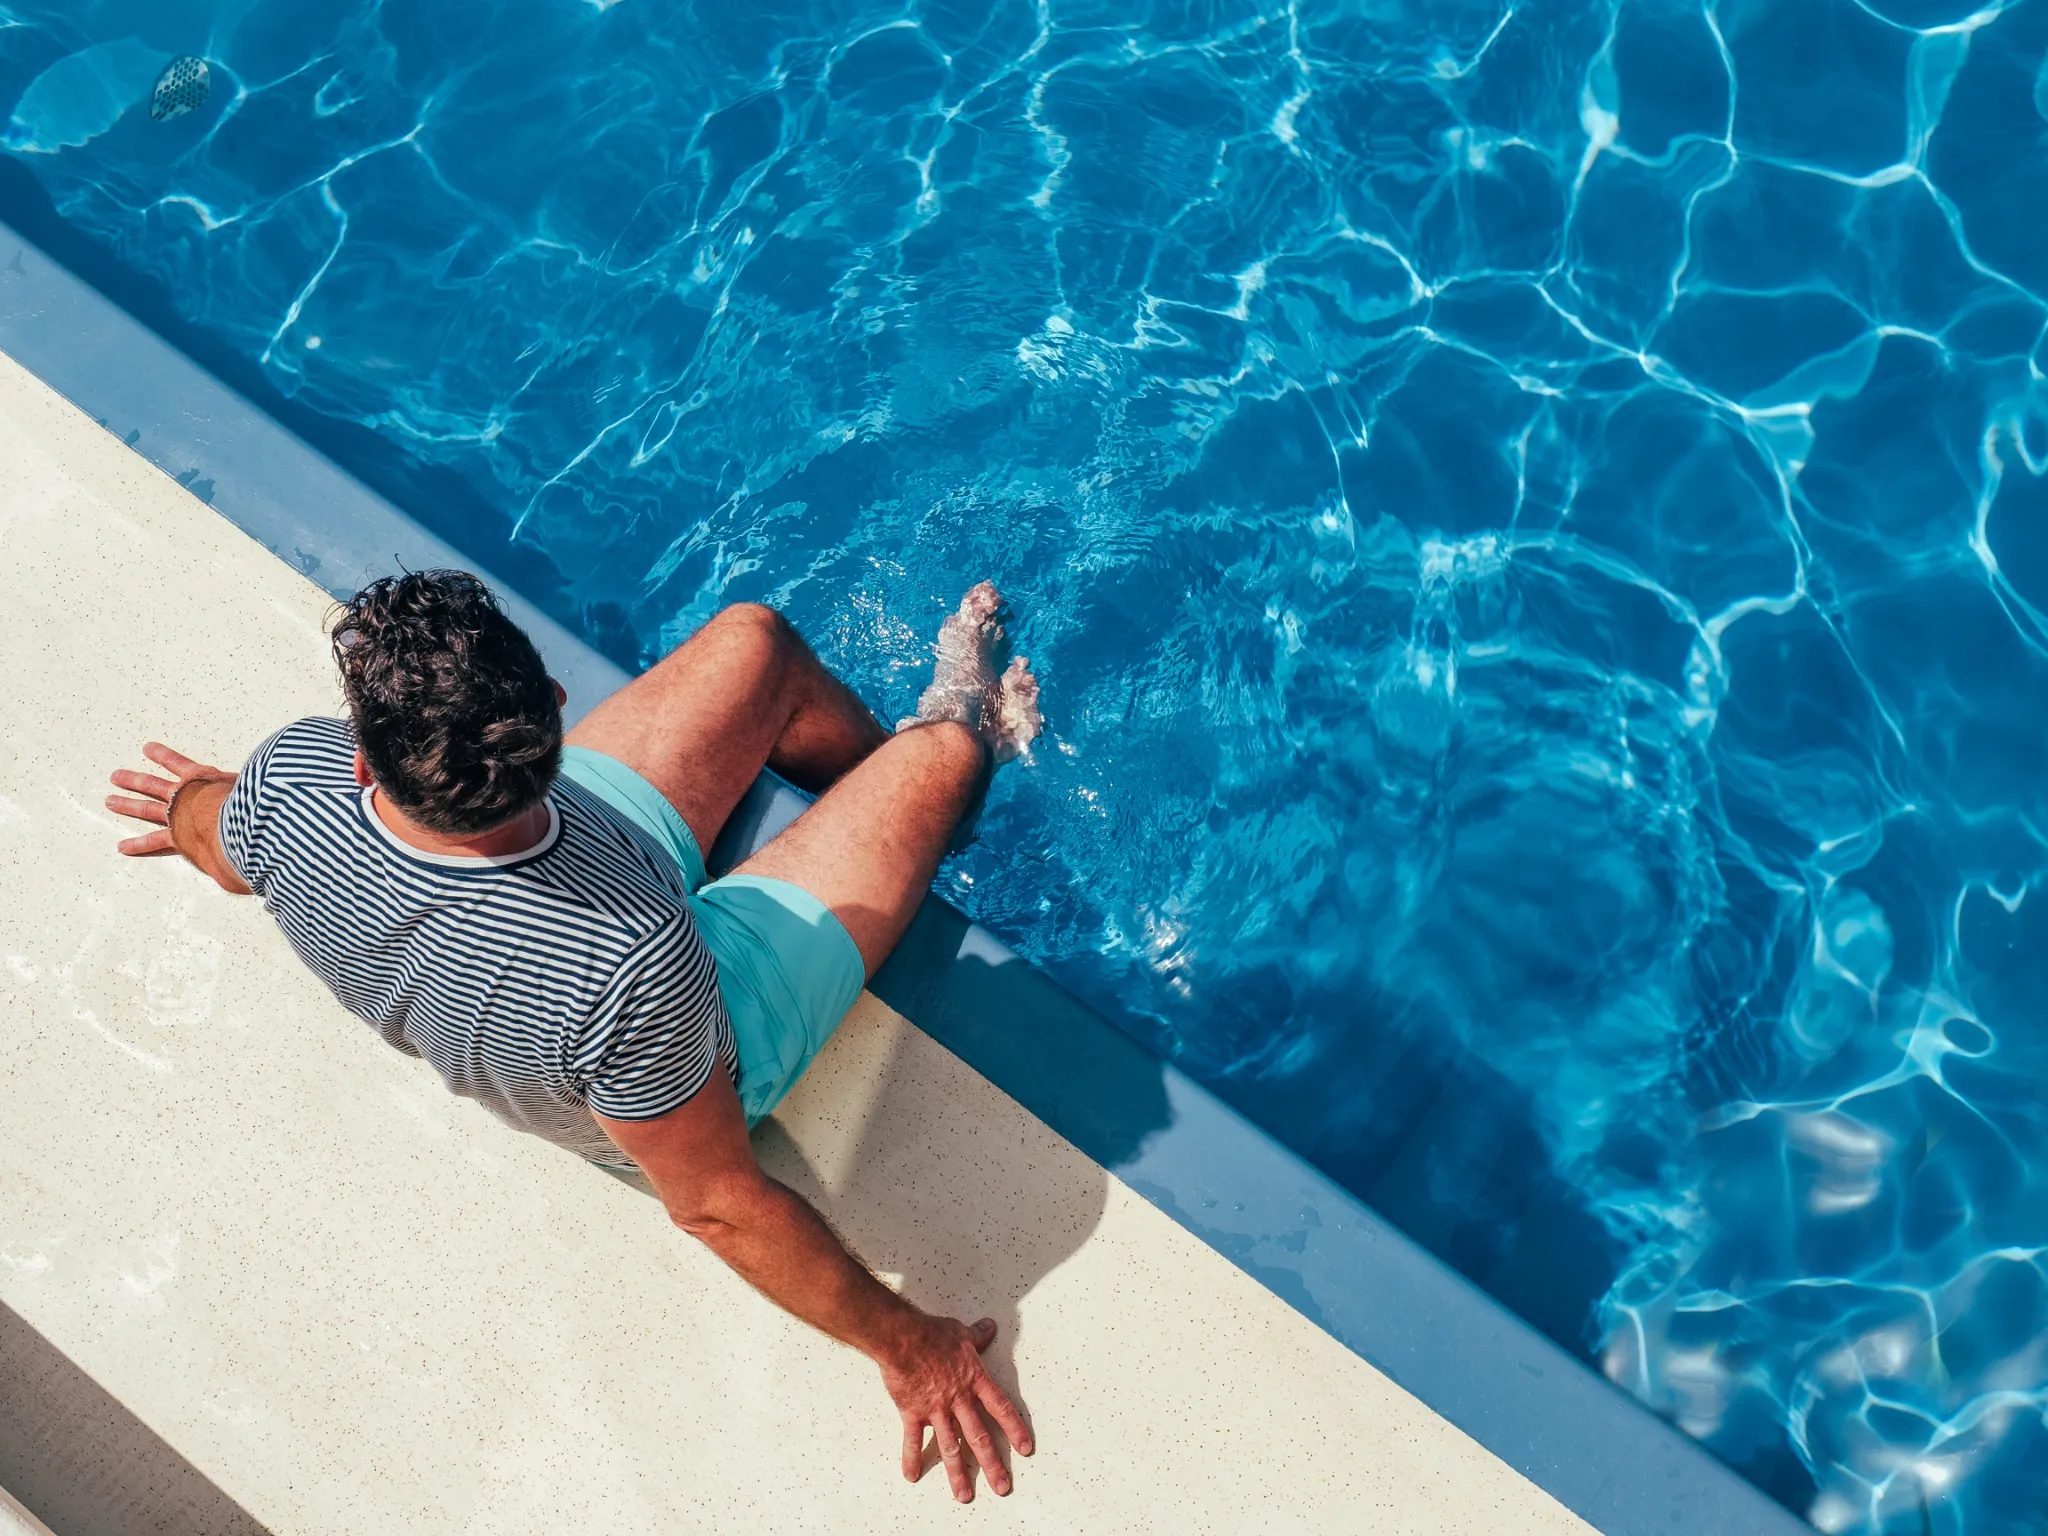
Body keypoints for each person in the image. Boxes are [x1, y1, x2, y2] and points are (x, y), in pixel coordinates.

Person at [103, 569, 1043, 1504]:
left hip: (589, 873)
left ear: (362, 760)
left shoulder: (289, 784)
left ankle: (883, 781)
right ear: (556, 706)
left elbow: (216, 834)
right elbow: (715, 1202)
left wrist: (189, 800)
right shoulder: (635, 971)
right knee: (944, 762)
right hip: (688, 1037)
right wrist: (911, 1350)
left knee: (754, 640)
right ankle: (959, 738)